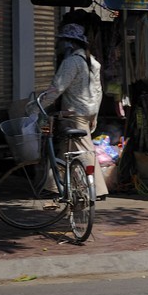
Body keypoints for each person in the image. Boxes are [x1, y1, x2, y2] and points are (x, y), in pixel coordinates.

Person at [36, 23, 103, 195]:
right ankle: (53, 186)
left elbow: (56, 89)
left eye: (60, 42)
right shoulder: (92, 62)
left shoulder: (71, 62)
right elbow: (98, 91)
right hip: (87, 112)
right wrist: (94, 115)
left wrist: (36, 107)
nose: (57, 46)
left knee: (82, 152)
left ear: (69, 43)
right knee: (67, 150)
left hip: (74, 114)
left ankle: (94, 190)